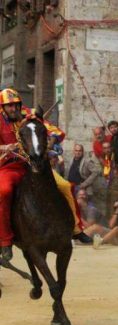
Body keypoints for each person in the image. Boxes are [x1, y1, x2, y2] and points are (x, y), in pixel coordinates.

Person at [0, 88, 92, 261]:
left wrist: (51, 140)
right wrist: (5, 147)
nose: (13, 109)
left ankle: (77, 229)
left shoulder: (29, 114)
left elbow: (54, 131)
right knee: (4, 191)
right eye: (9, 106)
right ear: (3, 107)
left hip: (35, 165)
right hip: (10, 167)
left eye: (15, 105)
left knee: (65, 186)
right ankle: (5, 240)